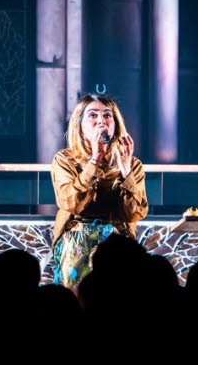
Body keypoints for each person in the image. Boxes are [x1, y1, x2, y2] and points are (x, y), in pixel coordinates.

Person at [49, 94, 148, 288]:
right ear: (80, 125)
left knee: (122, 252)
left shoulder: (131, 163)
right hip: (77, 233)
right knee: (80, 240)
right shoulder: (65, 159)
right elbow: (70, 203)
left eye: (107, 116)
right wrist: (94, 161)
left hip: (117, 236)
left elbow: (135, 213)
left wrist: (126, 171)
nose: (101, 121)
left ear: (115, 123)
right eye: (93, 115)